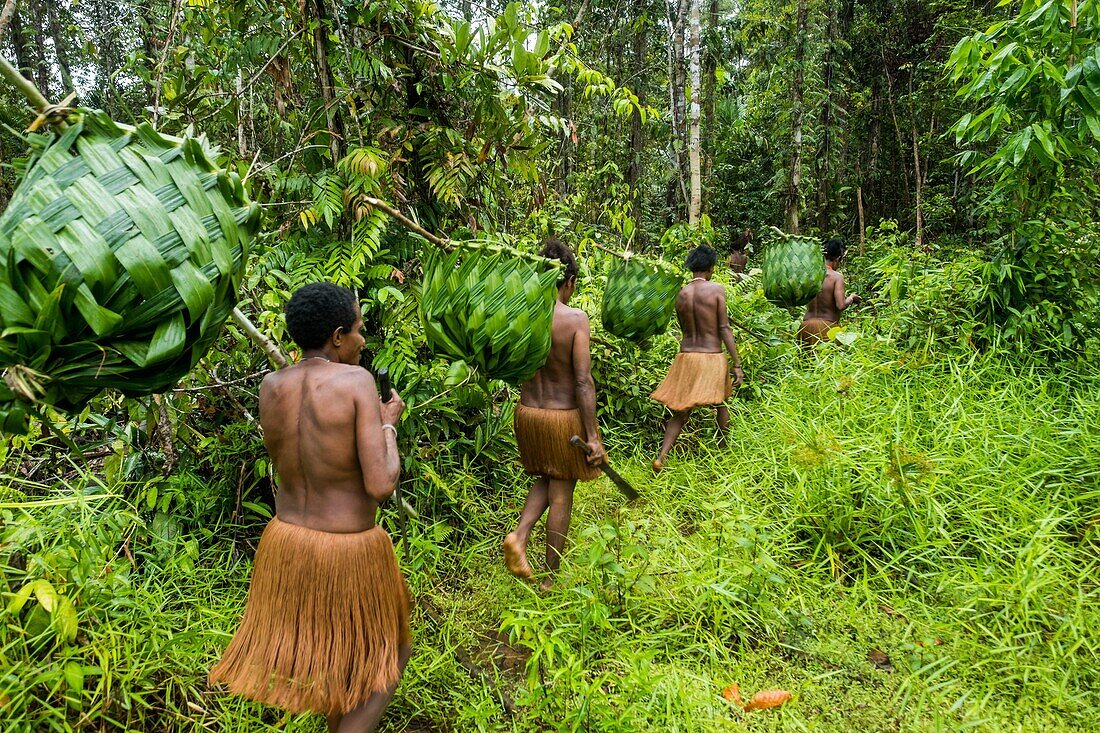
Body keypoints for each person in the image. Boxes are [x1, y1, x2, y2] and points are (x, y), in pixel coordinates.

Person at [209, 283, 411, 733]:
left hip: (286, 546)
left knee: (347, 661)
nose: (363, 341)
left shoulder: (271, 386)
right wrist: (387, 427)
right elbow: (380, 484)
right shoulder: (356, 382)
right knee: (390, 652)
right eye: (359, 331)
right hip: (346, 549)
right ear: (338, 335)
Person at [503, 237, 605, 592]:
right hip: (561, 418)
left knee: (545, 478)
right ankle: (549, 581)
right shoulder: (575, 319)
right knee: (562, 490)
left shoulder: (522, 313)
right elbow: (582, 381)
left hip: (527, 414)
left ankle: (519, 534)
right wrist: (592, 436)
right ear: (569, 281)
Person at [651, 245, 744, 472]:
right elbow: (723, 327)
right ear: (710, 268)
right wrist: (737, 363)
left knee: (681, 412)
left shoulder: (681, 294)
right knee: (721, 404)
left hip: (686, 357)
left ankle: (661, 457)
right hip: (710, 356)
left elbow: (684, 329)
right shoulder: (716, 290)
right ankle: (724, 454)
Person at [798, 237, 861, 346]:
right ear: (837, 259)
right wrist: (851, 298)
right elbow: (840, 305)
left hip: (805, 327)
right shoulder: (836, 277)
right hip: (827, 328)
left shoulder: (810, 275)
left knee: (805, 362)